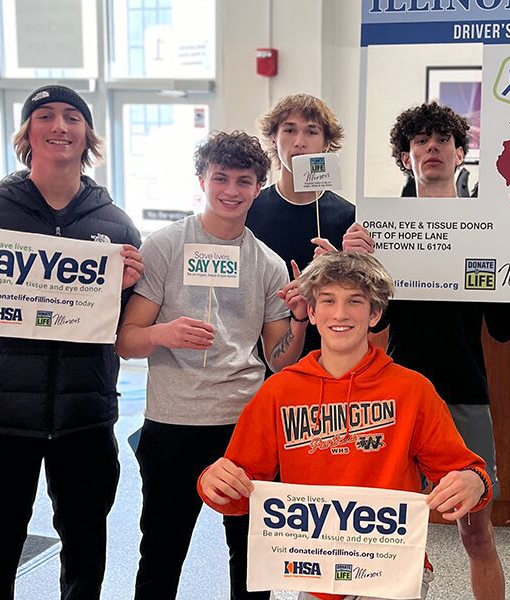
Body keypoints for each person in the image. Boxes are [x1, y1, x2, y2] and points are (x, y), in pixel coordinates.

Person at [339, 102, 510, 600]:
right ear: (406, 157)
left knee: (476, 531)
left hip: (466, 393)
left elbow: (504, 324)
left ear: (459, 154)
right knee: (396, 533)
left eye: (441, 140)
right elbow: (373, 320)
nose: (431, 148)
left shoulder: (485, 226)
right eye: (420, 141)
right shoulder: (383, 228)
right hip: (397, 396)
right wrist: (355, 263)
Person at [0, 84, 143, 600]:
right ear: (27, 133)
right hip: (1, 416)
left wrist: (124, 291)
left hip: (85, 418)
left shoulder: (115, 227)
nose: (59, 126)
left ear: (87, 134)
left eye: (72, 117)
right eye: (45, 116)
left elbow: (125, 328)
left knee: (85, 559)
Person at [198, 251, 492, 600]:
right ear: (311, 311)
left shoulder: (412, 390)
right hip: (313, 573)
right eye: (328, 301)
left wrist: (474, 481)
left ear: (375, 314)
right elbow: (238, 490)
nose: (340, 313)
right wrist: (213, 481)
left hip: (391, 569)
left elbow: (463, 470)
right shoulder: (279, 391)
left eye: (355, 301)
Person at [115, 130, 308, 599]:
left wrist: (300, 319)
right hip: (173, 422)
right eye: (220, 178)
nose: (230, 190)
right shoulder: (164, 246)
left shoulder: (268, 263)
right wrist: (164, 333)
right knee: (161, 552)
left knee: (251, 561)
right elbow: (126, 341)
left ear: (257, 188)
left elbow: (282, 363)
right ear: (201, 180)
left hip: (244, 425)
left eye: (243, 181)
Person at [248, 94, 365, 368]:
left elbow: (370, 307)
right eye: (289, 130)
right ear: (274, 140)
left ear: (326, 144)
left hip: (330, 362)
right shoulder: (249, 212)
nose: (299, 141)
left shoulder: (350, 218)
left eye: (311, 131)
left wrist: (341, 267)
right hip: (261, 365)